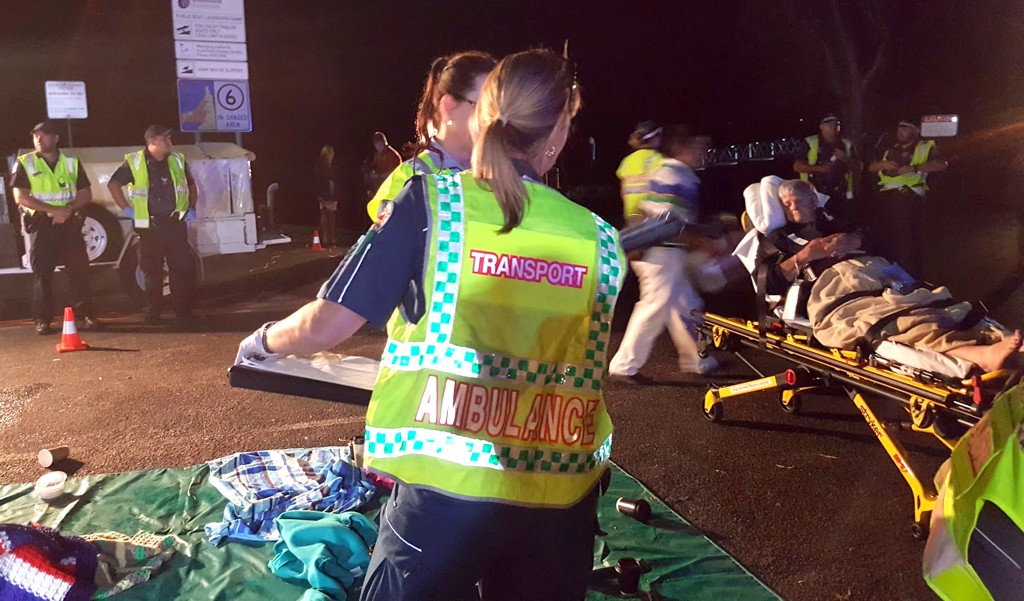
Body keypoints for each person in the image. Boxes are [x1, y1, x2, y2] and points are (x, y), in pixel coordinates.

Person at [237, 48, 616, 601]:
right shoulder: (598, 238)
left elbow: (327, 325)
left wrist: (261, 341)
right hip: (559, 497)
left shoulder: (433, 204)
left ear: (486, 115)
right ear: (557, 132)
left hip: (446, 493)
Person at [765, 179, 1021, 373]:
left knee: (933, 303)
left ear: (814, 199)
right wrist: (804, 256)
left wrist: (856, 239)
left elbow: (884, 240)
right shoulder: (780, 239)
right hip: (837, 286)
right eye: (786, 204)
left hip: (877, 271)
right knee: (891, 319)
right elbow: (770, 282)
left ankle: (1000, 339)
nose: (793, 207)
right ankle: (980, 355)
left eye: (799, 200)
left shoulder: (841, 221)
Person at [609, 125, 718, 382]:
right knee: (653, 308)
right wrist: (703, 242)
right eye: (698, 147)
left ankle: (699, 360)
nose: (703, 152)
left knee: (686, 305)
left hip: (661, 251)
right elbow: (668, 223)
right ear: (681, 148)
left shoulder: (672, 172)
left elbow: (653, 213)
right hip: (661, 252)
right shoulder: (675, 175)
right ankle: (623, 366)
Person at [366, 50, 496, 220]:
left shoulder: (502, 175)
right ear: (449, 106)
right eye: (485, 107)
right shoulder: (411, 178)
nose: (496, 119)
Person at [10, 121, 100, 335]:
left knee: (79, 272)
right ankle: (43, 320)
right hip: (42, 225)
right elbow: (20, 197)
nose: (38, 139)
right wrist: (53, 210)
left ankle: (86, 315)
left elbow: (85, 194)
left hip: (68, 224)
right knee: (43, 275)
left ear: (56, 138)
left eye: (43, 135)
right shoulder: (25, 162)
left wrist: (66, 210)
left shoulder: (71, 163)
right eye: (35, 136)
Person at [107, 125, 198, 326]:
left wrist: (191, 206)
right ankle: (153, 311)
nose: (170, 143)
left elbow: (191, 185)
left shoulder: (177, 160)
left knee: (181, 269)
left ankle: (183, 310)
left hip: (175, 223)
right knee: (151, 271)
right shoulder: (135, 162)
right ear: (152, 141)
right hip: (149, 226)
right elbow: (113, 184)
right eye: (165, 139)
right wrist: (126, 209)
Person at [866, 119, 948, 275]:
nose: (900, 132)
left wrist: (914, 168)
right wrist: (883, 165)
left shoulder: (925, 147)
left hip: (910, 197)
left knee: (907, 242)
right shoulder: (890, 149)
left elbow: (942, 164)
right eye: (899, 129)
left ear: (915, 131)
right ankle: (889, 273)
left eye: (905, 129)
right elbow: (871, 167)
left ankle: (910, 275)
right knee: (887, 239)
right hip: (887, 198)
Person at [792, 114, 856, 217]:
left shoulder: (847, 144)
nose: (833, 126)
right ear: (821, 126)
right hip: (813, 194)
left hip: (839, 195)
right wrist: (820, 169)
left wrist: (845, 158)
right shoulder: (810, 142)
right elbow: (797, 166)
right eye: (829, 124)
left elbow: (858, 167)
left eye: (837, 124)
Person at [616, 120, 663, 226]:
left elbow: (623, 191)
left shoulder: (627, 160)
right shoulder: (658, 159)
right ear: (653, 138)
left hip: (631, 216)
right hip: (650, 217)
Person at [364, 132, 401, 201]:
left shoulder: (393, 155)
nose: (379, 148)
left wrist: (379, 176)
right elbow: (374, 166)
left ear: (385, 143)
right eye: (377, 146)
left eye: (380, 145)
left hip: (391, 189)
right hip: (380, 189)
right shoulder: (377, 154)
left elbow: (394, 174)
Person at [314, 145, 338, 247]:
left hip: (331, 193)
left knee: (331, 215)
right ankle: (326, 236)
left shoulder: (332, 165)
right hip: (325, 193)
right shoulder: (321, 167)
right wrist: (319, 194)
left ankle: (330, 236)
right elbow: (317, 181)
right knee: (325, 214)